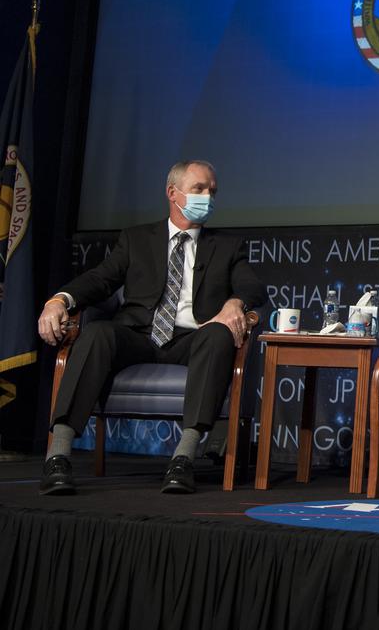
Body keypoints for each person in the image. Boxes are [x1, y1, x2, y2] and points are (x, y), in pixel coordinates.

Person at [38, 160, 266, 495]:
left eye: (212, 191)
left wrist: (235, 303)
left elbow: (254, 288)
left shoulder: (228, 246)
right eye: (199, 189)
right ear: (173, 193)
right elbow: (101, 280)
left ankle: (183, 459)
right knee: (98, 332)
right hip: (139, 336)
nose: (208, 197)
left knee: (218, 335)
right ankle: (58, 457)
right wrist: (60, 300)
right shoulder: (136, 239)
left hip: (193, 339)